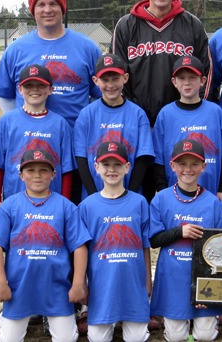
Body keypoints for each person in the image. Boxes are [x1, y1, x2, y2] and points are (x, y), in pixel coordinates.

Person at [0, 149, 91, 342]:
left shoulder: (65, 206)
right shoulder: (10, 206)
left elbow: (79, 247)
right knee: (9, 339)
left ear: (53, 174)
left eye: (44, 170)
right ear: (21, 175)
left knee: (67, 338)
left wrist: (77, 283)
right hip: (19, 288)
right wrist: (1, 282)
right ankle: (3, 319)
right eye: (31, 170)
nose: (37, 175)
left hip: (57, 289)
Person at [0, 0, 101, 128]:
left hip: (75, 142)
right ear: (33, 10)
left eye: (53, 4)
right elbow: (4, 98)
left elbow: (100, 96)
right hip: (28, 145)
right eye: (41, 4)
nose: (47, 10)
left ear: (62, 8)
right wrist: (24, 125)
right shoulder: (15, 50)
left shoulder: (87, 48)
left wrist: (84, 125)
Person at [110, 0, 212, 127]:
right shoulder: (126, 26)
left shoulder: (193, 25)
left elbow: (206, 76)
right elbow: (116, 75)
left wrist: (194, 112)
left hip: (182, 121)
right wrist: (131, 116)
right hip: (137, 122)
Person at [149, 139, 222, 341]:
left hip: (203, 279)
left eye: (194, 164)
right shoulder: (162, 198)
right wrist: (179, 232)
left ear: (203, 167)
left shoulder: (212, 202)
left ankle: (210, 319)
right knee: (175, 337)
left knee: (205, 336)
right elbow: (154, 239)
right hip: (174, 277)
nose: (188, 169)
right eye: (182, 164)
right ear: (172, 165)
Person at [78, 141, 151, 342]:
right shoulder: (87, 206)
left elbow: (144, 246)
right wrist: (82, 283)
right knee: (98, 339)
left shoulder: (139, 202)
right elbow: (82, 249)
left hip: (133, 286)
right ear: (96, 167)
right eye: (106, 164)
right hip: (102, 287)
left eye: (118, 164)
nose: (112, 170)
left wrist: (147, 282)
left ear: (127, 168)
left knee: (136, 338)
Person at [0, 64, 75, 208]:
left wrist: (64, 202)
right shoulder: (7, 122)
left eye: (40, 85)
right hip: (14, 199)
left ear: (51, 90)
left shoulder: (60, 124)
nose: (35, 89)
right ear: (20, 89)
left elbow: (67, 169)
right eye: (28, 85)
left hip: (52, 203)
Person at [152, 55, 222, 199]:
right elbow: (158, 160)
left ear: (202, 81)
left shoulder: (215, 112)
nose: (187, 83)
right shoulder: (166, 114)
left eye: (192, 77)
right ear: (174, 82)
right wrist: (163, 190)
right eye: (182, 78)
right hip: (175, 194)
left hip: (211, 192)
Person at [74, 54, 154, 199]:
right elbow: (81, 160)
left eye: (115, 79)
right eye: (105, 80)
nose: (110, 85)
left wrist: (129, 195)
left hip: (129, 193)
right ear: (95, 81)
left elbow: (142, 159)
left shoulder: (137, 114)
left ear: (125, 78)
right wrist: (95, 198)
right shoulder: (86, 115)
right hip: (94, 194)